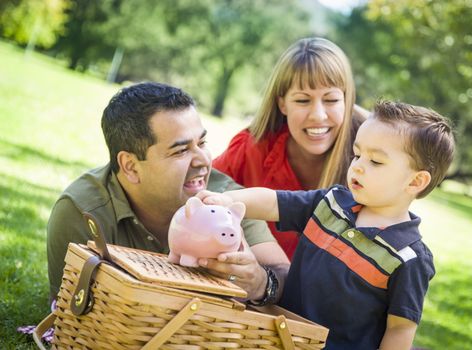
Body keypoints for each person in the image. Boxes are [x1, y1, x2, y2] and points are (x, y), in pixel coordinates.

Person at [198, 100, 455, 349]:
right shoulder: (332, 202)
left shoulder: (409, 257)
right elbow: (272, 202)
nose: (357, 167)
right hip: (275, 336)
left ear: (415, 182)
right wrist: (226, 199)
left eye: (375, 161)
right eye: (357, 154)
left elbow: (400, 329)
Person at [47, 82, 290, 304]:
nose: (203, 160)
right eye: (181, 150)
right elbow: (72, 313)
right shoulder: (83, 211)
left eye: (202, 143)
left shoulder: (226, 200)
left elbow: (284, 275)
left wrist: (260, 282)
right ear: (130, 166)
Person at [213, 37, 367, 260]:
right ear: (282, 104)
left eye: (331, 100)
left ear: (347, 100)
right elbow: (202, 191)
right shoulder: (251, 148)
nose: (318, 115)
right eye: (303, 101)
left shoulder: (370, 160)